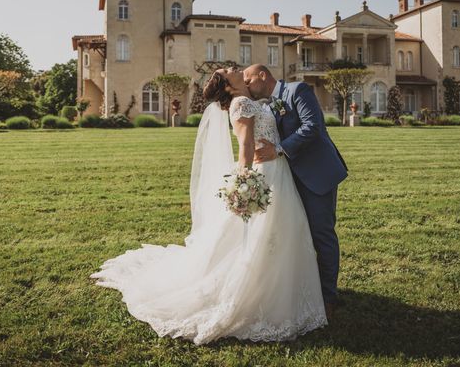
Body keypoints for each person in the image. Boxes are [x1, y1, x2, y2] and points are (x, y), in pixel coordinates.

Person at [91, 67, 327, 344]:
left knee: (279, 235)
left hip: (279, 171)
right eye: (229, 71)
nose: (235, 69)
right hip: (266, 174)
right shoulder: (240, 104)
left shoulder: (249, 101)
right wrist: (245, 182)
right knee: (263, 236)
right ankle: (258, 296)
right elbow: (245, 146)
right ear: (227, 86)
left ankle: (285, 292)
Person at [243, 64, 348, 320]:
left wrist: (279, 149)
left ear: (262, 76)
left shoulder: (297, 90)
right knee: (297, 237)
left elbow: (312, 126)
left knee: (321, 235)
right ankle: (306, 290)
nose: (247, 85)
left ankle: (328, 298)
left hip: (316, 174)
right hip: (288, 180)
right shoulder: (267, 104)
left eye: (248, 80)